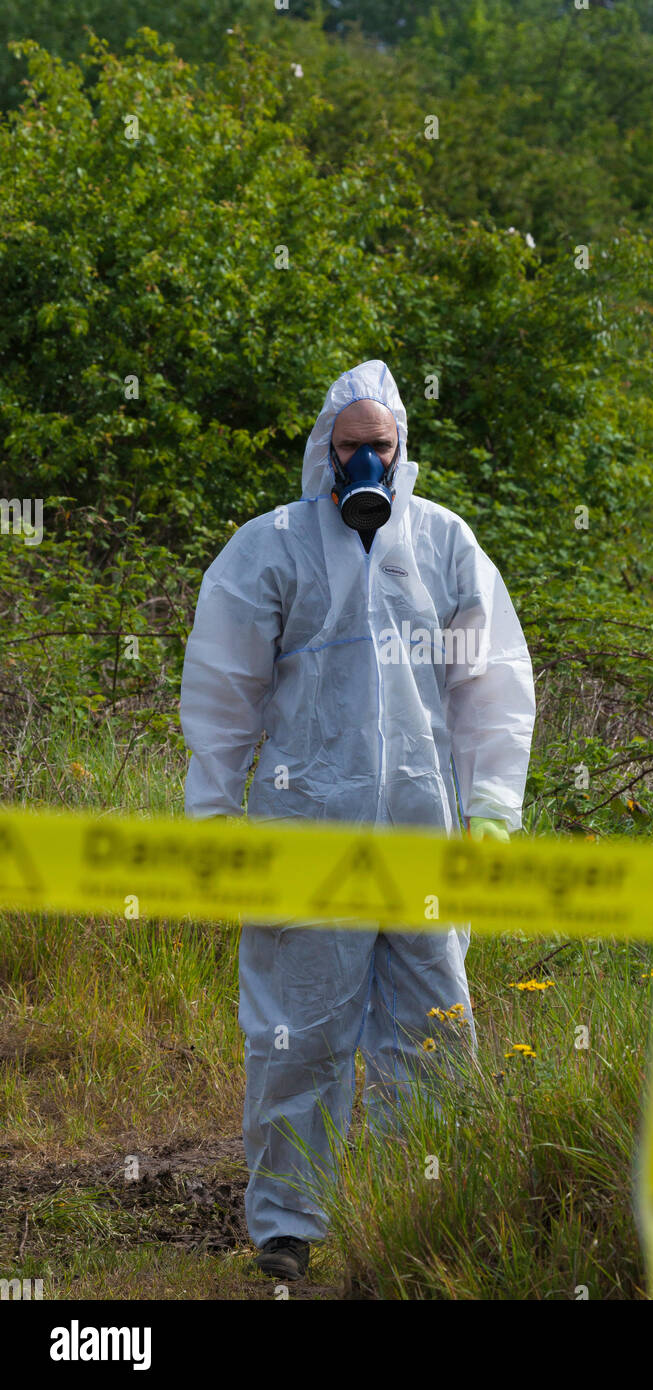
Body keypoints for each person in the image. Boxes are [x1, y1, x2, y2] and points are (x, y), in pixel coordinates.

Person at [179, 359, 535, 1279]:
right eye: (349, 450)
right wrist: (212, 820)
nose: (364, 465)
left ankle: (424, 1209)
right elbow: (222, 695)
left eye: (379, 448)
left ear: (401, 449)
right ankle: (289, 1230)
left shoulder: (447, 546)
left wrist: (493, 807)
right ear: (323, 452)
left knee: (435, 1028)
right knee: (300, 1032)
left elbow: (490, 687)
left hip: (423, 835)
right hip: (305, 835)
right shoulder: (272, 549)